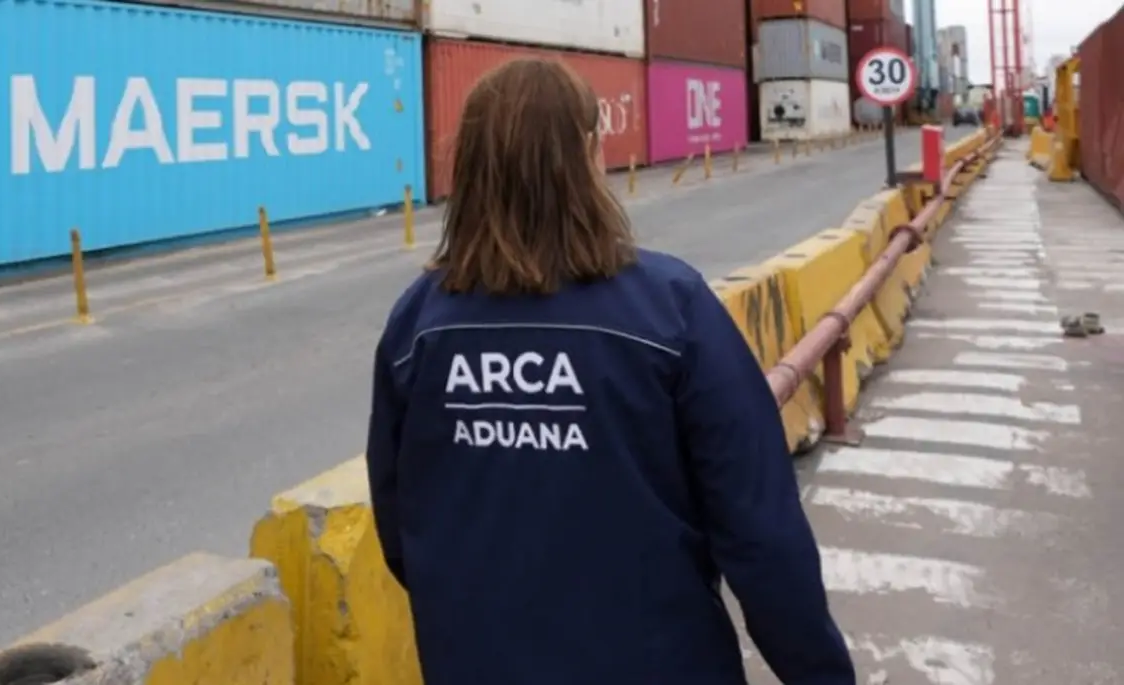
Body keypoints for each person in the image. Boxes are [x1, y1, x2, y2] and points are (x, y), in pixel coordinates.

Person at [365, 57, 855, 685]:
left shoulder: (418, 324)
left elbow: (401, 524)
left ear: (471, 168)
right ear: (589, 156)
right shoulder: (672, 308)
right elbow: (761, 532)